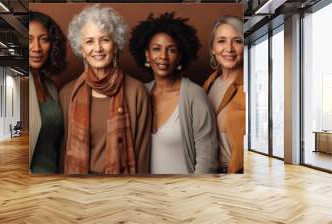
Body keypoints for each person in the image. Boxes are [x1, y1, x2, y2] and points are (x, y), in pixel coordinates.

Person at [59, 5, 152, 175]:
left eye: (105, 40)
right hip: (79, 189)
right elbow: (63, 150)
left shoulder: (137, 91)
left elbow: (143, 152)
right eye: (89, 41)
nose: (98, 48)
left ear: (116, 44)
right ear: (81, 49)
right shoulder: (67, 93)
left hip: (122, 187)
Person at [129, 12, 218, 174]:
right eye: (156, 49)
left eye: (171, 50)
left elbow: (208, 160)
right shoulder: (139, 93)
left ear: (180, 57)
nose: (163, 56)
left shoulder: (194, 95)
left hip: (183, 193)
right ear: (146, 55)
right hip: (144, 194)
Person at [203, 16, 245, 173]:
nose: (229, 48)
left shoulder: (251, 85)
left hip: (234, 172)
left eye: (237, 41)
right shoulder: (208, 84)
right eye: (221, 41)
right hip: (208, 171)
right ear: (213, 48)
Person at [29, 11, 66, 173]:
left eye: (43, 39)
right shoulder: (22, 82)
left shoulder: (50, 86)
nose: (36, 48)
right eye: (29, 40)